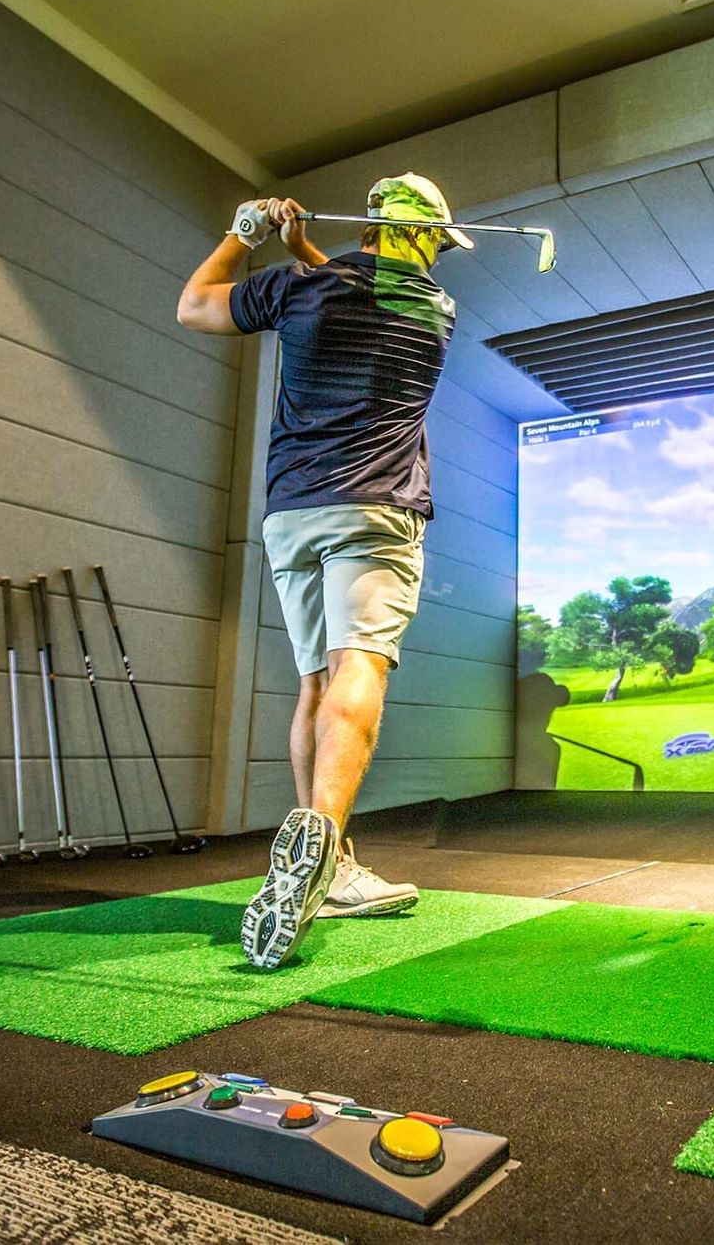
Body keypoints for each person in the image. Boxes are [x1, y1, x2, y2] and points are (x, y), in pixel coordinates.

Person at [176, 173, 472, 969]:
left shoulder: (297, 290)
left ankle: (328, 864)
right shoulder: (433, 312)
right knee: (359, 666)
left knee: (313, 680)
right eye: (436, 242)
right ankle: (325, 838)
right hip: (375, 506)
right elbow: (367, 286)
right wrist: (301, 245)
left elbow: (197, 303)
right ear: (416, 238)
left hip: (292, 512)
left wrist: (249, 233)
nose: (440, 259)